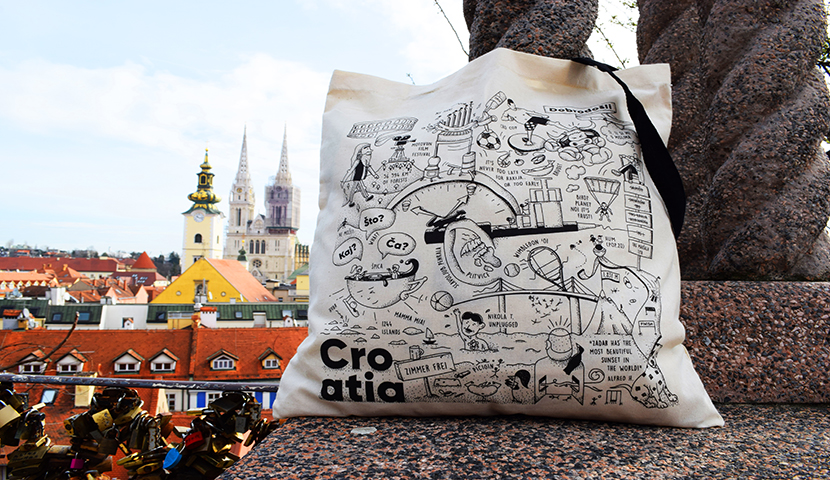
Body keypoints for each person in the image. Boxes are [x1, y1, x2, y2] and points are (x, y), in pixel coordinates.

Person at [342, 143, 379, 207]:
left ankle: (366, 197)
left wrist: (374, 174)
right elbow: (351, 170)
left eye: (369, 148)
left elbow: (369, 168)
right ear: (361, 152)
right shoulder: (357, 161)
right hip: (356, 177)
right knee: (353, 189)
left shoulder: (366, 161)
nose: (369, 150)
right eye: (366, 148)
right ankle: (351, 202)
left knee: (361, 188)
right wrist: (344, 180)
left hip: (360, 178)